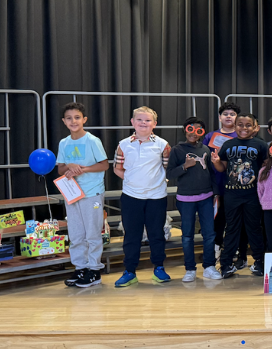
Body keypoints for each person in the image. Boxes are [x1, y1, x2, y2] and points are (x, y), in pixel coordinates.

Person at [113, 107, 172, 288]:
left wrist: (155, 183)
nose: (143, 123)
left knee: (156, 234)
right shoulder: (123, 145)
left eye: (147, 120)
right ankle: (130, 271)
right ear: (132, 122)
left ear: (154, 124)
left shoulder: (163, 144)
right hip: (131, 197)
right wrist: (133, 182)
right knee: (131, 235)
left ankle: (159, 268)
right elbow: (117, 169)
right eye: (139, 120)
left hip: (156, 197)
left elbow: (167, 168)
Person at [56, 102, 109, 289]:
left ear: (84, 119)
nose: (73, 121)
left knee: (92, 233)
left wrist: (83, 169)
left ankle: (94, 270)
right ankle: (81, 267)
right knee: (76, 233)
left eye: (77, 117)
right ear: (64, 121)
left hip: (91, 193)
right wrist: (69, 167)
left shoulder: (92, 141)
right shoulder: (64, 143)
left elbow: (104, 164)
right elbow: (60, 167)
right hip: (72, 193)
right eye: (69, 118)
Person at [213, 112, 269, 278]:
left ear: (255, 127)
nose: (244, 128)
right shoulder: (228, 145)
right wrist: (216, 162)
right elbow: (223, 168)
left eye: (248, 125)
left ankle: (260, 262)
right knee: (231, 229)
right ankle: (226, 264)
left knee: (254, 229)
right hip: (231, 195)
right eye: (240, 124)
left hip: (253, 195)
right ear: (235, 126)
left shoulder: (261, 145)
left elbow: (267, 167)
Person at [167, 117, 219, 283]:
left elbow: (211, 173)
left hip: (206, 197)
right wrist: (184, 166)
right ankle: (190, 269)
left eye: (198, 130)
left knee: (209, 234)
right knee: (187, 235)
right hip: (185, 199)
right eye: (190, 129)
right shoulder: (177, 149)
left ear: (202, 133)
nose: (193, 133)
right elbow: (169, 174)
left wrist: (215, 193)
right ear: (185, 130)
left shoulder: (205, 148)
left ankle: (209, 266)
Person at [204, 102, 246, 270]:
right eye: (225, 114)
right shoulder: (210, 136)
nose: (229, 116)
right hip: (216, 187)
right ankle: (216, 253)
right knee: (217, 222)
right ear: (220, 117)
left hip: (237, 188)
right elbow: (205, 161)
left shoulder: (242, 135)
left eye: (232, 114)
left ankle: (240, 255)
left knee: (238, 223)